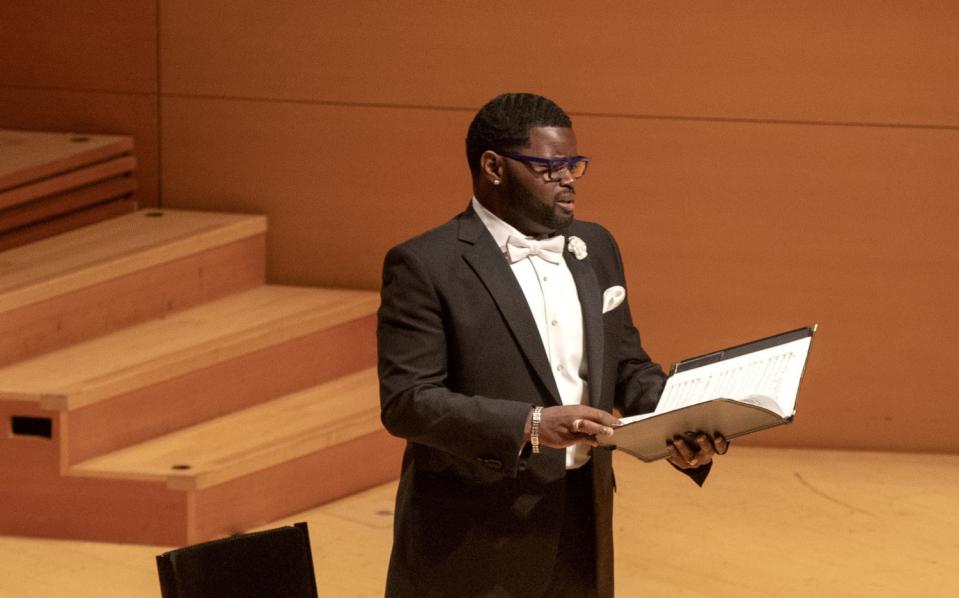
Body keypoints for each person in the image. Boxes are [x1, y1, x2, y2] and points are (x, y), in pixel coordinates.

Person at [377, 92, 728, 598]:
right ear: (494, 167)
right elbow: (408, 403)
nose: (568, 179)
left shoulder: (597, 246)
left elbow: (627, 365)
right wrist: (533, 424)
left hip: (582, 528)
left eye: (574, 165)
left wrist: (683, 423)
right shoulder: (425, 265)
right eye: (550, 167)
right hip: (472, 541)